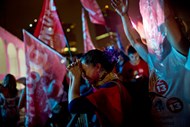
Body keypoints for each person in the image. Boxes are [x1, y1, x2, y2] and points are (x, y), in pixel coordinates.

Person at [111, 0, 190, 127]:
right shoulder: (153, 60)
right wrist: (123, 15)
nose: (155, 32)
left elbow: (168, 20)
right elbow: (134, 41)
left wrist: (158, 4)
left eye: (159, 28)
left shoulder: (180, 54)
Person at [67, 47, 132, 127]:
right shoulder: (107, 84)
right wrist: (72, 77)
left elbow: (73, 106)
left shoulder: (107, 89)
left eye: (84, 71)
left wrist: (75, 78)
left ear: (97, 67)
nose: (83, 75)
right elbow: (75, 100)